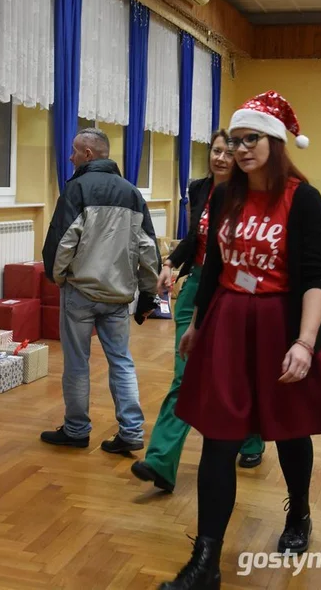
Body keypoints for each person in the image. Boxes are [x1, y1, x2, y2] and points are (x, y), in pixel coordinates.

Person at [158, 92, 321, 590]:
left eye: (252, 139)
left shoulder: (302, 199)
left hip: (280, 328)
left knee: (290, 431)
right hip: (226, 325)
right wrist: (198, 326)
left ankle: (299, 515)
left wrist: (305, 343)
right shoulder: (226, 196)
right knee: (218, 440)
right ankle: (205, 564)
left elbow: (316, 276)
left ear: (275, 142)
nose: (241, 149)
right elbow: (216, 267)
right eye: (235, 140)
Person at [131, 131, 265, 494]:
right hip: (197, 286)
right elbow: (194, 237)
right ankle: (160, 461)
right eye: (216, 151)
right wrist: (171, 263)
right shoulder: (199, 188)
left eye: (228, 152)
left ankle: (252, 437)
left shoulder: (251, 193)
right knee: (184, 374)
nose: (221, 158)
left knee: (239, 371)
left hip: (236, 289)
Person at [41, 128, 160, 453]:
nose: (70, 157)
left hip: (80, 293)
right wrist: (148, 294)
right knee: (121, 361)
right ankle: (132, 432)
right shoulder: (132, 193)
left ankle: (77, 430)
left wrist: (58, 276)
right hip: (118, 295)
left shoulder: (76, 189)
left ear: (89, 154)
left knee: (77, 364)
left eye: (75, 151)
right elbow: (148, 248)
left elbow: (63, 241)